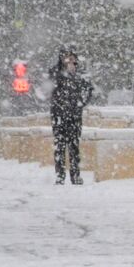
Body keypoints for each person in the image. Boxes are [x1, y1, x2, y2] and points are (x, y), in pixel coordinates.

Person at [49, 47, 94, 185]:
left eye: (72, 58)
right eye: (67, 58)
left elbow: (89, 90)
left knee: (74, 146)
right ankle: (60, 175)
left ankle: (75, 175)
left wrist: (80, 104)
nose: (70, 61)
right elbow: (50, 87)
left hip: (74, 116)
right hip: (59, 116)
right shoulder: (56, 73)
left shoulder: (80, 75)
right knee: (59, 146)